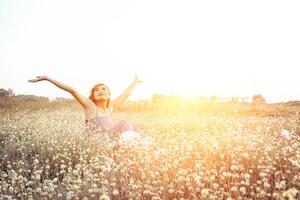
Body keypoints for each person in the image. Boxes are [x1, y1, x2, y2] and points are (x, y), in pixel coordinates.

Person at [28, 75, 143, 141]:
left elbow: (125, 95)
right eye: (96, 90)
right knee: (124, 123)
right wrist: (47, 78)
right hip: (98, 141)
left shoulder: (109, 108)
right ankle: (130, 147)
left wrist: (136, 82)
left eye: (103, 89)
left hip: (109, 140)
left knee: (136, 129)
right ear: (92, 96)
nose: (100, 91)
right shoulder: (90, 107)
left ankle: (132, 147)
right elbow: (72, 90)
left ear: (109, 94)